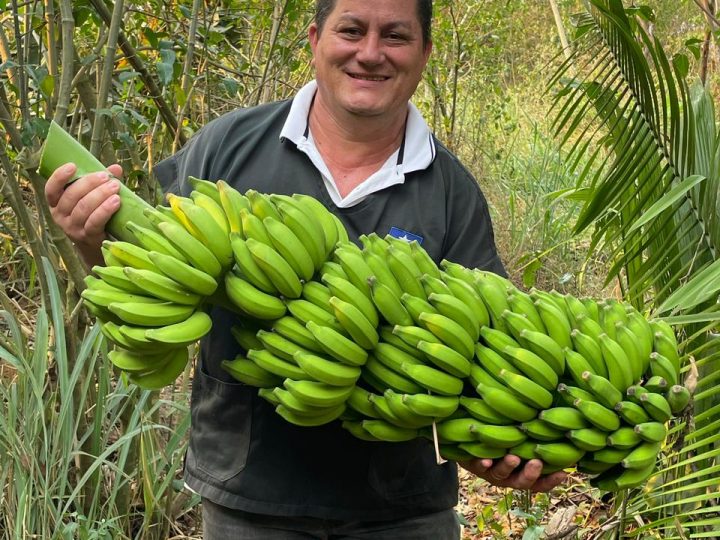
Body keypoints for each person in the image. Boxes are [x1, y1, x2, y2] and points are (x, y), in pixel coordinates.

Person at [45, 0, 567, 537]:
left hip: (402, 512)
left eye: (395, 36)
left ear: (424, 52)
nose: (369, 53)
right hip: (249, 501)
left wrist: (495, 450)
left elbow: (487, 350)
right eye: (351, 30)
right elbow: (159, 282)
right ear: (315, 39)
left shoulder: (452, 191)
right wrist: (95, 244)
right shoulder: (228, 148)